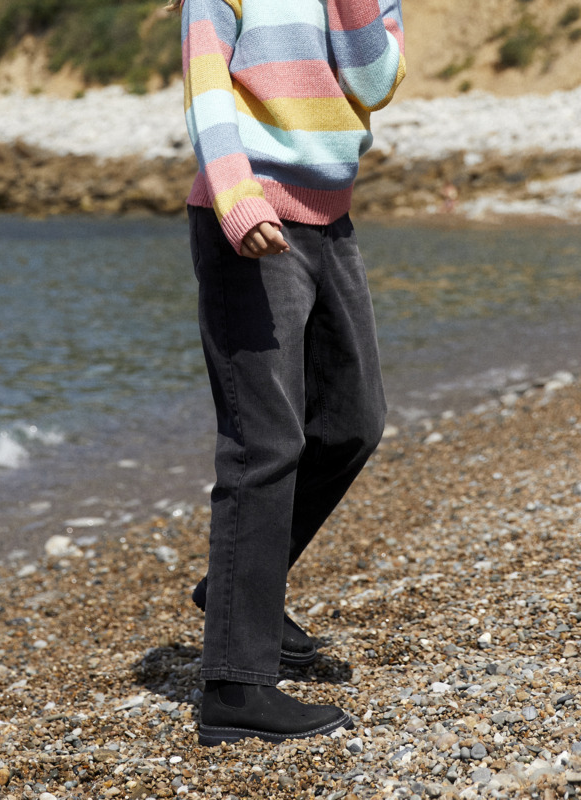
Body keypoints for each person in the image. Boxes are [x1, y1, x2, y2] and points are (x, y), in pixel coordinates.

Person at [170, 0, 405, 745]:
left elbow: (374, 82)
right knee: (264, 444)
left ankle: (238, 587)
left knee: (353, 421)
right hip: (249, 217)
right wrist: (237, 200)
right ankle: (235, 687)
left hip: (330, 220)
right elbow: (207, 89)